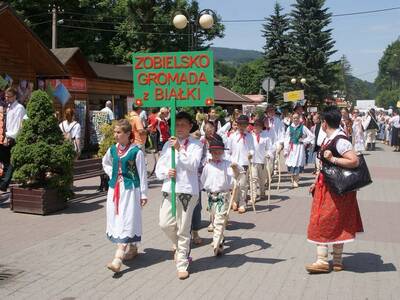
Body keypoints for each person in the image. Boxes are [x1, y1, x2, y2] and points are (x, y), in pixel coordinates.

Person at [306, 106, 363, 274]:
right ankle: (337, 261)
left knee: (321, 221)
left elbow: (354, 161)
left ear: (324, 123)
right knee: (337, 222)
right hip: (329, 186)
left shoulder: (340, 140)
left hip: (336, 189)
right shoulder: (331, 138)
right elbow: (323, 165)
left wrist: (334, 159)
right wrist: (316, 181)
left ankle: (323, 261)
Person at [155, 111, 203, 280]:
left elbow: (193, 165)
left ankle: (182, 261)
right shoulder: (168, 145)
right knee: (165, 223)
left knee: (183, 228)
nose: (180, 128)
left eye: (184, 124)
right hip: (170, 189)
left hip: (188, 191)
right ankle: (179, 245)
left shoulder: (197, 144)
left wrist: (180, 149)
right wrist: (166, 173)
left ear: (190, 126)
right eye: (177, 124)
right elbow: (158, 169)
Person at [102, 119, 148, 273]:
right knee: (118, 219)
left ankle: (118, 258)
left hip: (130, 191)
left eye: (118, 132)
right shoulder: (112, 150)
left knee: (127, 220)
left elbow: (142, 174)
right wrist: (113, 173)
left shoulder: (136, 151)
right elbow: (106, 163)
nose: (115, 135)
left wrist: (143, 194)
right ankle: (133, 248)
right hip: (114, 190)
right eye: (115, 132)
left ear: (128, 134)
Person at [200, 138, 241, 256]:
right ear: (211, 153)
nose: (217, 155)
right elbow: (203, 180)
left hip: (223, 195)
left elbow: (238, 174)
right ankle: (221, 239)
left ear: (223, 152)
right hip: (211, 196)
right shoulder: (207, 166)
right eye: (214, 152)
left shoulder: (227, 164)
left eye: (219, 152)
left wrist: (235, 168)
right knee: (214, 219)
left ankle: (216, 242)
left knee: (219, 220)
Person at [226, 115, 254, 214]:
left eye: (244, 124)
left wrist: (251, 154)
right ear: (237, 125)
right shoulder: (232, 136)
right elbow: (228, 150)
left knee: (242, 185)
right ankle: (234, 200)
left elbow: (252, 149)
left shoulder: (250, 136)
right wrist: (229, 161)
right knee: (234, 184)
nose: (242, 126)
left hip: (244, 163)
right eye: (240, 124)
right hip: (233, 163)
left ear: (247, 125)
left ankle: (242, 203)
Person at [0, 87, 26, 191]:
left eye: (8, 97)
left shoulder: (19, 108)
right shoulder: (8, 107)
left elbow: (17, 127)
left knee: (10, 162)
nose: (6, 99)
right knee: (4, 161)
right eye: (5, 96)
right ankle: (3, 183)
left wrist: (8, 136)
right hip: (4, 137)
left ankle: (4, 184)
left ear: (14, 96)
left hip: (11, 138)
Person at [283, 113, 314, 188]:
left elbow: (312, 136)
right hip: (291, 148)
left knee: (296, 163)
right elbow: (286, 139)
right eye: (294, 118)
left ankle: (295, 181)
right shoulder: (289, 128)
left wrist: (304, 140)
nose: (295, 119)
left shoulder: (303, 127)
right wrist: (286, 150)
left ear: (299, 118)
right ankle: (293, 178)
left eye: (297, 118)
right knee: (291, 163)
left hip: (299, 148)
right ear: (292, 119)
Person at [251, 118, 275, 200]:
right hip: (253, 161)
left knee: (262, 179)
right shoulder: (250, 136)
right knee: (253, 179)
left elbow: (269, 148)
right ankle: (253, 195)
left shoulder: (266, 137)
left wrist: (268, 154)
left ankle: (262, 192)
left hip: (262, 161)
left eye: (258, 126)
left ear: (261, 127)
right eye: (255, 126)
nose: (256, 127)